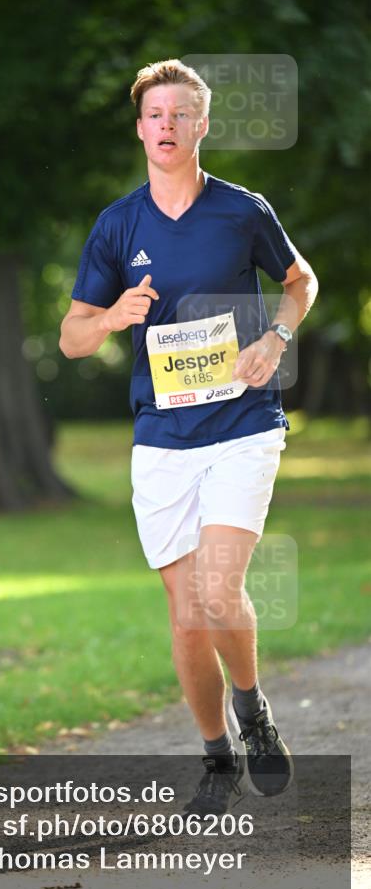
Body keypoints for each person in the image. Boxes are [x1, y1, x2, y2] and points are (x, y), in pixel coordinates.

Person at [59, 58, 319, 817]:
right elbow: (71, 336)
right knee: (183, 612)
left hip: (242, 424)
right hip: (161, 438)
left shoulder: (242, 210)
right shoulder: (118, 224)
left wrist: (274, 336)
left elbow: (300, 281)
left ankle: (253, 710)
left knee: (217, 589)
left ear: (200, 124)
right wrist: (110, 318)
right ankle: (214, 757)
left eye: (179, 114)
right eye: (154, 115)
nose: (166, 126)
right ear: (139, 128)